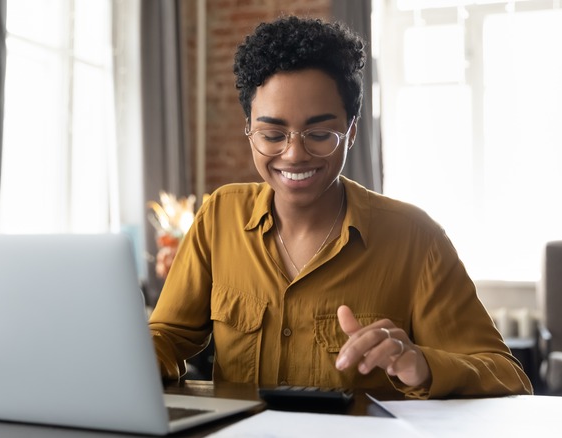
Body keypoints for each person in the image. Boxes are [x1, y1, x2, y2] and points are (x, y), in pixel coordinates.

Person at [148, 16, 532, 399]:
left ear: (351, 132)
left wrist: (422, 365)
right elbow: (167, 336)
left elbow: (508, 376)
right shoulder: (220, 217)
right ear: (249, 129)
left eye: (319, 134)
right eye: (272, 134)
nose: (294, 154)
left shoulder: (416, 239)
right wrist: (137, 355)